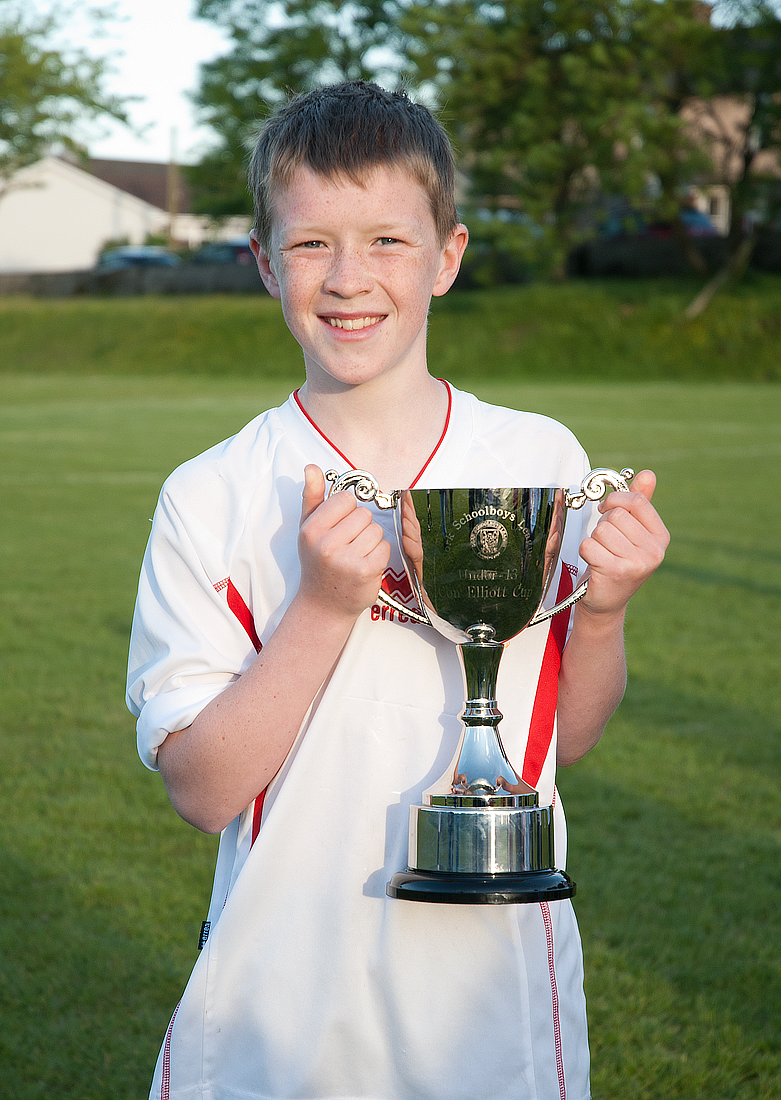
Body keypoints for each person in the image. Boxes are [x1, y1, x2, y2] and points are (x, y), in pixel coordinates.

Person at [127, 80, 669, 1100]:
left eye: (387, 240)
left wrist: (601, 608)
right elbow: (201, 790)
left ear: (446, 258)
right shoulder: (208, 493)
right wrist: (325, 606)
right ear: (262, 263)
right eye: (309, 243)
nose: (347, 277)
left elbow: (565, 738)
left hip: (491, 993)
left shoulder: (533, 455)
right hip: (277, 1001)